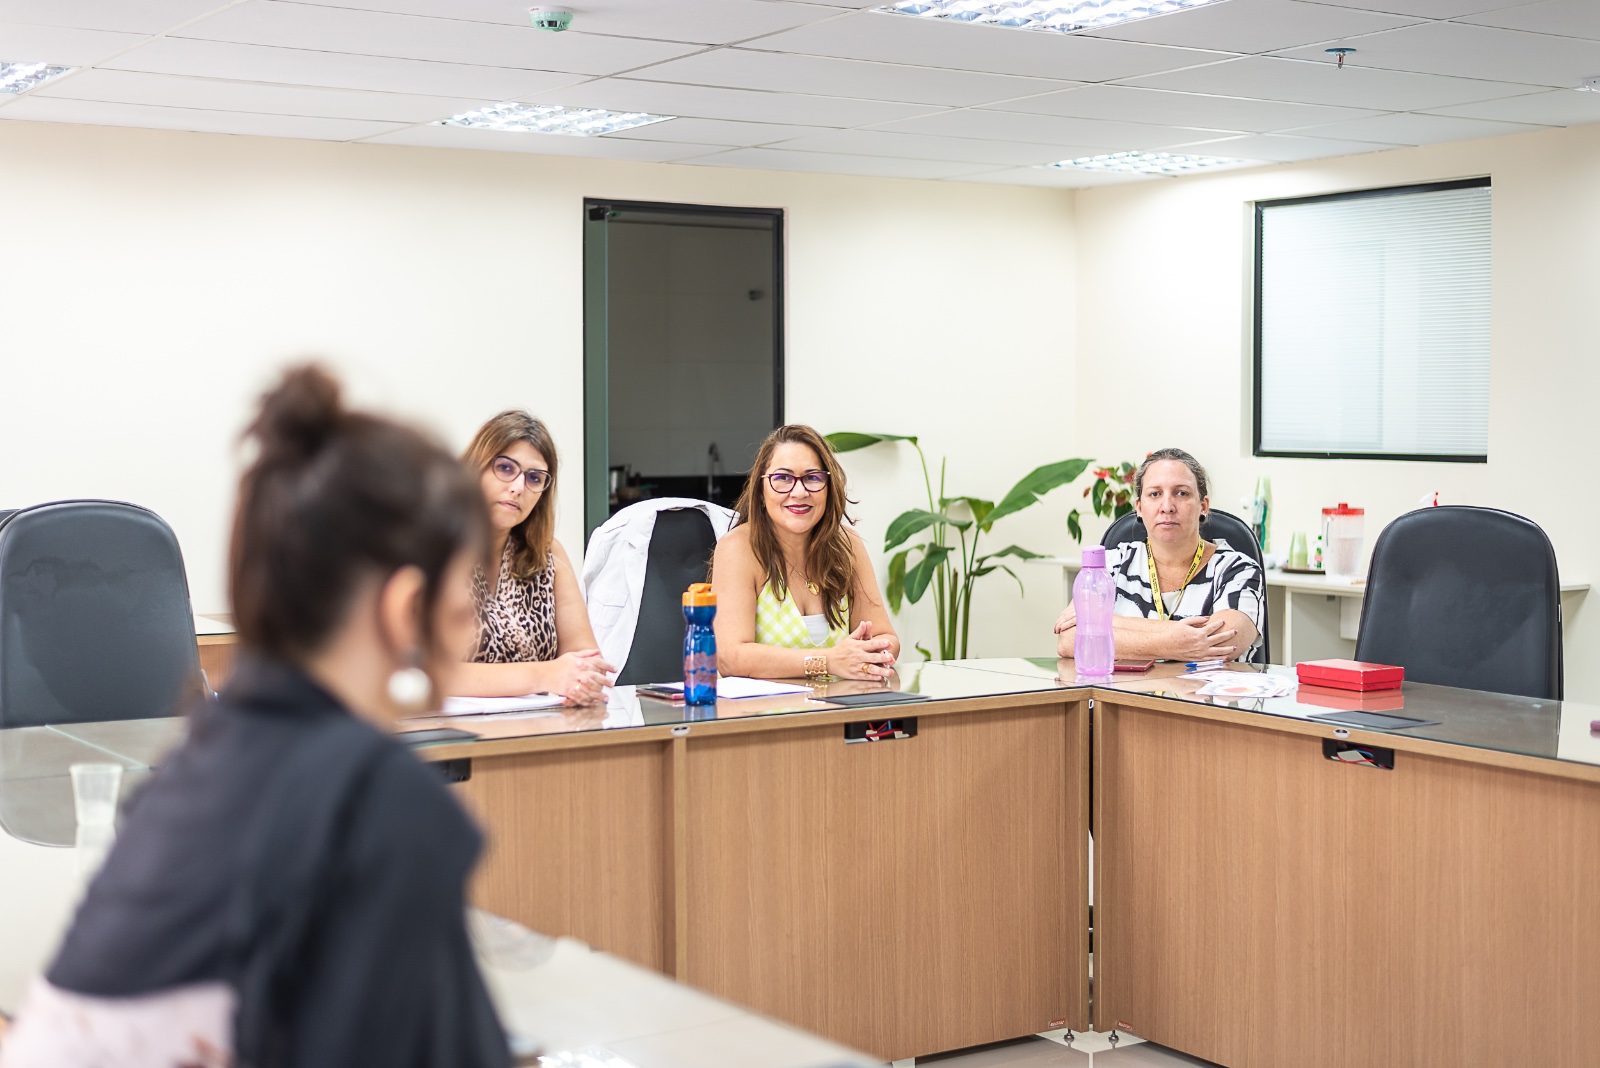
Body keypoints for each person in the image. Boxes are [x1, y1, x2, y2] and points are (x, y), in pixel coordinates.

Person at [0, 366, 510, 1068]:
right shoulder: (375, 799)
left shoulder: (197, 762)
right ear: (404, 609)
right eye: (463, 600)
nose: (472, 630)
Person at [712, 425, 899, 681]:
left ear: (828, 487)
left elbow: (886, 638)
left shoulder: (848, 545)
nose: (799, 492)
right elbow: (730, 658)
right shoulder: (739, 548)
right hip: (760, 716)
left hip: (839, 710)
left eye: (812, 478)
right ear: (761, 490)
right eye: (783, 478)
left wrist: (869, 652)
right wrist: (828, 661)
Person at [453, 410, 613, 704]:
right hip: (452, 736)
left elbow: (584, 661)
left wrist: (580, 680)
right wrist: (545, 675)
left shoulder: (548, 553)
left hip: (537, 728)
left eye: (534, 478)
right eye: (504, 468)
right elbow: (424, 673)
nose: (517, 488)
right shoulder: (434, 547)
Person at [1054, 448, 1263, 663]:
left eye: (1181, 493)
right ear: (1139, 508)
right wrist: (1174, 643)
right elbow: (1070, 640)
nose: (1167, 507)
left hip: (1204, 696)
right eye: (1155, 494)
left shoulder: (1237, 569)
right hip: (1126, 696)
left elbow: (1224, 642)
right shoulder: (1110, 565)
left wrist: (1104, 622)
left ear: (1203, 506)